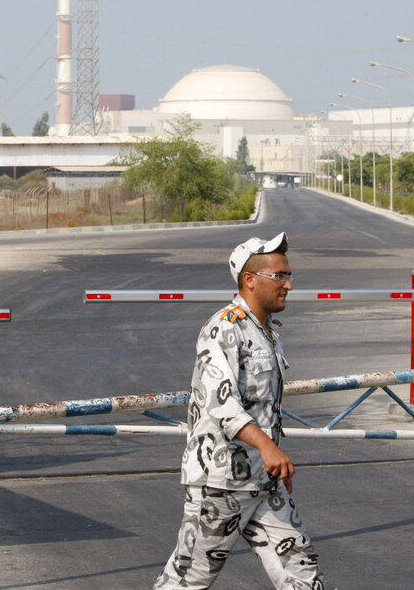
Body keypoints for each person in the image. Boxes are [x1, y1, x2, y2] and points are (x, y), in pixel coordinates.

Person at [154, 231, 324, 589]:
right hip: (221, 483)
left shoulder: (266, 332)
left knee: (301, 566)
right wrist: (267, 447)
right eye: (280, 276)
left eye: (289, 275)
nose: (288, 285)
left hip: (263, 481)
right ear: (250, 280)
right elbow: (222, 402)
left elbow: (263, 408)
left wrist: (272, 457)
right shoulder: (223, 329)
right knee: (188, 579)